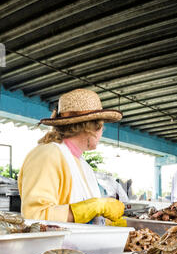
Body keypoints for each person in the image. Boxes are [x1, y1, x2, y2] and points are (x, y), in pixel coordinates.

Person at [18, 88, 126, 226]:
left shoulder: (82, 164)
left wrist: (107, 223)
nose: (101, 133)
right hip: (53, 247)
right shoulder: (47, 155)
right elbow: (35, 216)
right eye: (101, 127)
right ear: (90, 127)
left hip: (78, 246)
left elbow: (87, 215)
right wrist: (93, 207)